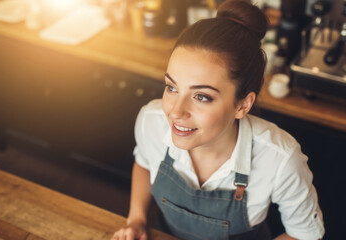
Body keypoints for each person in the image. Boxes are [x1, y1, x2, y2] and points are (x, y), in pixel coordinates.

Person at [111, 0, 324, 239]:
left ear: (242, 105)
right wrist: (137, 219)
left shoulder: (279, 158)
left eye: (201, 96)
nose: (175, 112)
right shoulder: (151, 121)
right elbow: (144, 162)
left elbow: (305, 233)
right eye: (172, 88)